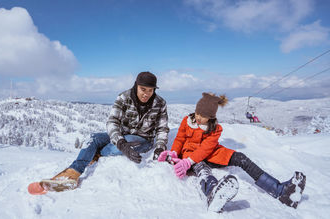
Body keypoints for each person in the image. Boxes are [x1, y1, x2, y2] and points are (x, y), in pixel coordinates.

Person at [158, 93, 306, 212]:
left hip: (209, 154)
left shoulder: (216, 129)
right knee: (201, 168)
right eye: (197, 113)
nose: (198, 117)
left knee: (241, 158)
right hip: (190, 155)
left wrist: (188, 161)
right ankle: (212, 192)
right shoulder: (186, 121)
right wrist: (175, 153)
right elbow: (179, 138)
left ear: (211, 118)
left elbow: (207, 148)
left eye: (203, 116)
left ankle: (280, 191)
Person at [29, 71, 169, 194]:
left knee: (115, 148)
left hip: (142, 139)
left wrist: (160, 148)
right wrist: (120, 142)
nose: (146, 94)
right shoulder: (124, 98)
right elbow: (112, 121)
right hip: (120, 135)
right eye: (143, 89)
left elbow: (162, 128)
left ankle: (96, 153)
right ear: (136, 85)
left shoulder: (160, 103)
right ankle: (73, 173)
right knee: (93, 138)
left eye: (150, 90)